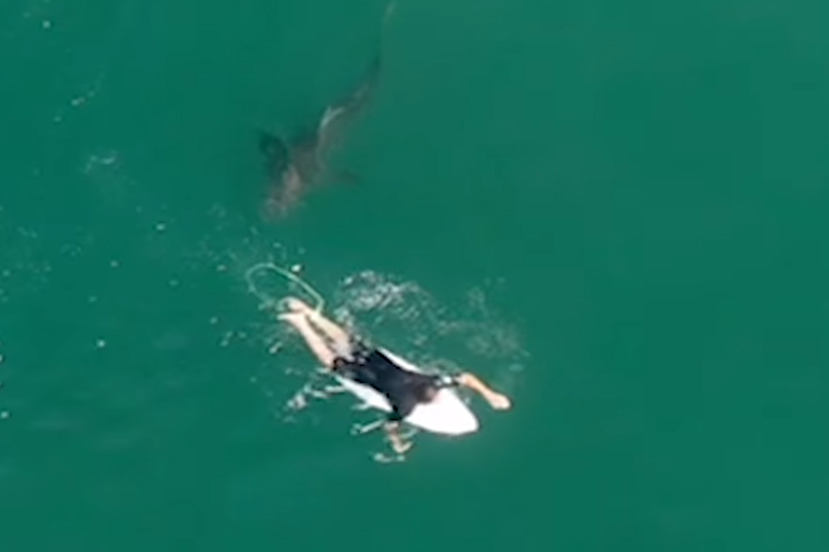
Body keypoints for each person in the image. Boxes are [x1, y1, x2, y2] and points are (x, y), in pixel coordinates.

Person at [278, 297, 511, 453]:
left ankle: (310, 313)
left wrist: (491, 395)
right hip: (364, 378)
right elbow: (390, 425)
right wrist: (397, 442)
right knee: (329, 359)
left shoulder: (429, 383)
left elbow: (467, 378)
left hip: (381, 361)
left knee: (345, 340)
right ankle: (301, 324)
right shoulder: (404, 410)